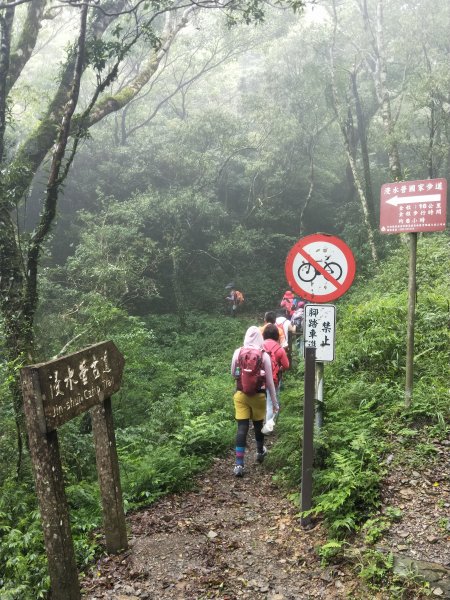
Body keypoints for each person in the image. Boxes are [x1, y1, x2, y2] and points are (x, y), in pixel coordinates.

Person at [230, 326, 279, 477]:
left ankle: (239, 464)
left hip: (241, 394)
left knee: (242, 427)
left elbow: (233, 374)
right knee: (258, 425)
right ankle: (259, 452)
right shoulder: (263, 355)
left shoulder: (238, 352)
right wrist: (275, 403)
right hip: (258, 396)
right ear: (259, 338)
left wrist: (242, 375)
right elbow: (270, 382)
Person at [262, 324, 289, 426]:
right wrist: (279, 368)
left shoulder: (259, 346)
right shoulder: (279, 349)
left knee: (259, 401)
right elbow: (286, 365)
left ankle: (258, 424)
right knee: (270, 403)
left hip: (258, 379)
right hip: (273, 379)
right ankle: (268, 427)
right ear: (277, 335)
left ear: (264, 334)